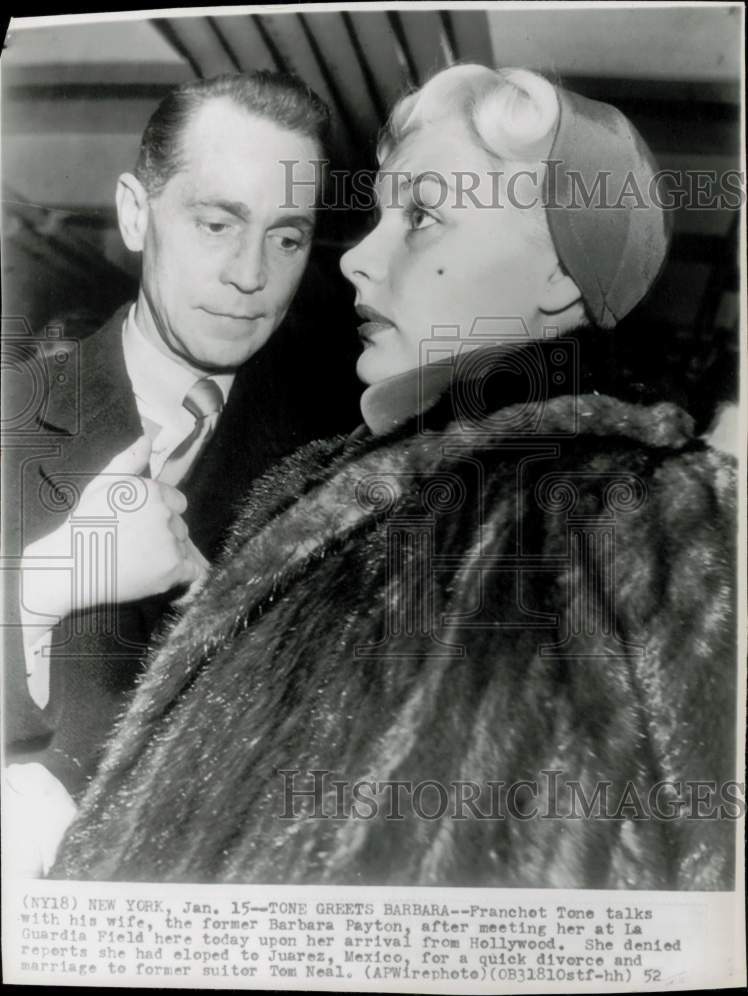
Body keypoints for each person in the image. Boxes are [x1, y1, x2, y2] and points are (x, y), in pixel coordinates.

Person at [52, 65, 737, 889]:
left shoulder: (662, 514)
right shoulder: (306, 494)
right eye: (380, 214)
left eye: (422, 216)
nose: (357, 260)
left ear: (561, 275)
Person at [3, 71, 334, 867]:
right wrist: (47, 580)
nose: (251, 275)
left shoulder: (341, 469)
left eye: (286, 238)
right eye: (218, 224)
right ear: (134, 213)